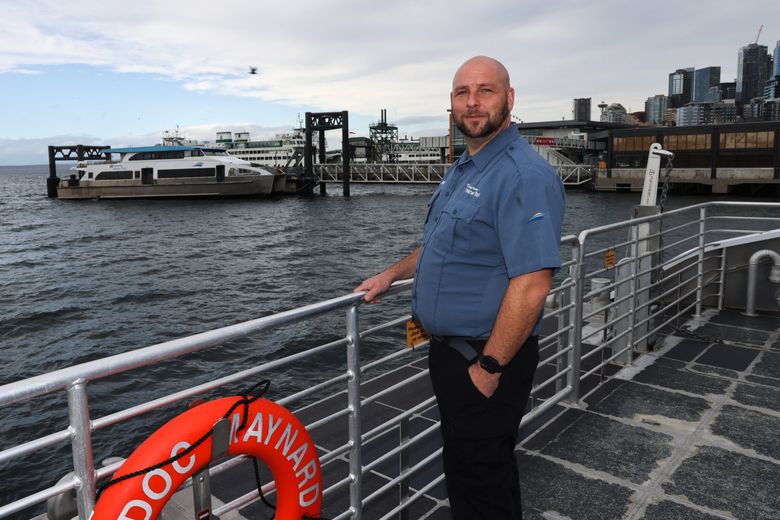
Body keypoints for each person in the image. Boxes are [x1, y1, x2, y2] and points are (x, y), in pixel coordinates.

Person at [354, 56, 565, 519]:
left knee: (479, 487)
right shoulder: (466, 167)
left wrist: (489, 367)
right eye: (461, 93)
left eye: (485, 91)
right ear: (451, 102)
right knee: (479, 476)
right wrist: (392, 273)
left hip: (487, 356)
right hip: (451, 354)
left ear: (509, 99)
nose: (472, 103)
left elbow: (532, 285)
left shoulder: (523, 176)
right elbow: (441, 245)